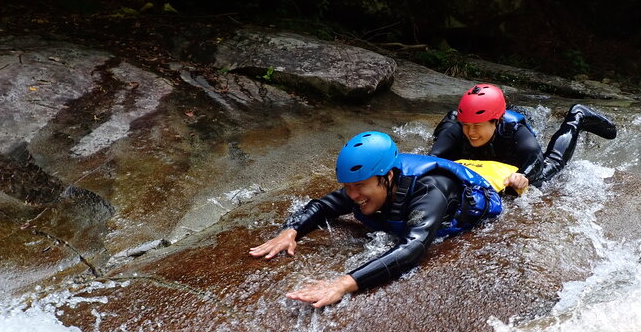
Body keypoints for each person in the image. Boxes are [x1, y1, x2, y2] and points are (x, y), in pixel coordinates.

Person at [249, 131, 503, 308]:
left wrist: (343, 284)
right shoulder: (368, 181)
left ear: (389, 177)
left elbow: (414, 247)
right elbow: (323, 205)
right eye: (348, 187)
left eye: (359, 186)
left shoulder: (430, 190)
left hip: (467, 202)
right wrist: (290, 231)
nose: (353, 195)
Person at [429, 83, 617, 190]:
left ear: (496, 121)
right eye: (467, 126)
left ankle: (578, 116)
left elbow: (534, 158)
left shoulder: (514, 129)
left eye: (477, 126)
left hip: (514, 154)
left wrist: (523, 176)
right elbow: (432, 159)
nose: (470, 132)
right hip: (463, 134)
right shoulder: (455, 128)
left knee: (547, 170)